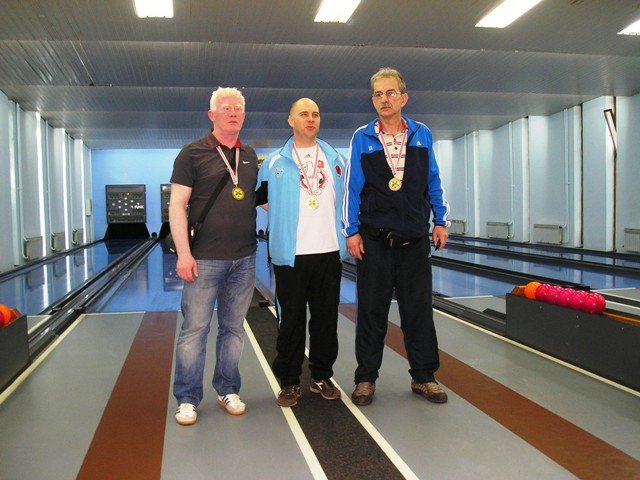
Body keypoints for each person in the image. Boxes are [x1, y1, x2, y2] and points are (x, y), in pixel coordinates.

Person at [342, 68, 450, 406]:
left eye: (390, 93)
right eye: (377, 94)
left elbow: (433, 179)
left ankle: (424, 377)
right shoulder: (363, 137)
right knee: (371, 312)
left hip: (414, 239)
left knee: (418, 312)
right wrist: (351, 230)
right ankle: (366, 378)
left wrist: (441, 219)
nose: (384, 99)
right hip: (375, 240)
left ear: (403, 97)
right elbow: (352, 188)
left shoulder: (421, 133)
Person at [169, 87, 258, 425]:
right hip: (204, 258)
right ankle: (187, 398)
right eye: (226, 108)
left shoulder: (249, 155)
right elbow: (177, 205)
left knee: (233, 329)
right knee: (195, 329)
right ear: (212, 115)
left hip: (244, 258)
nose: (233, 113)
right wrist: (184, 254)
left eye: (238, 108)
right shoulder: (192, 153)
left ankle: (227, 389)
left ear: (244, 115)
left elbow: (256, 199)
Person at [256, 98, 348, 407]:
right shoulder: (274, 162)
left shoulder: (336, 158)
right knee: (291, 321)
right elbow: (260, 199)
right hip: (290, 256)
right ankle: (290, 381)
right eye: (304, 114)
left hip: (329, 252)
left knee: (326, 321)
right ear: (291, 120)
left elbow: (348, 201)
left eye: (315, 114)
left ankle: (321, 376)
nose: (311, 119)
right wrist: (284, 218)